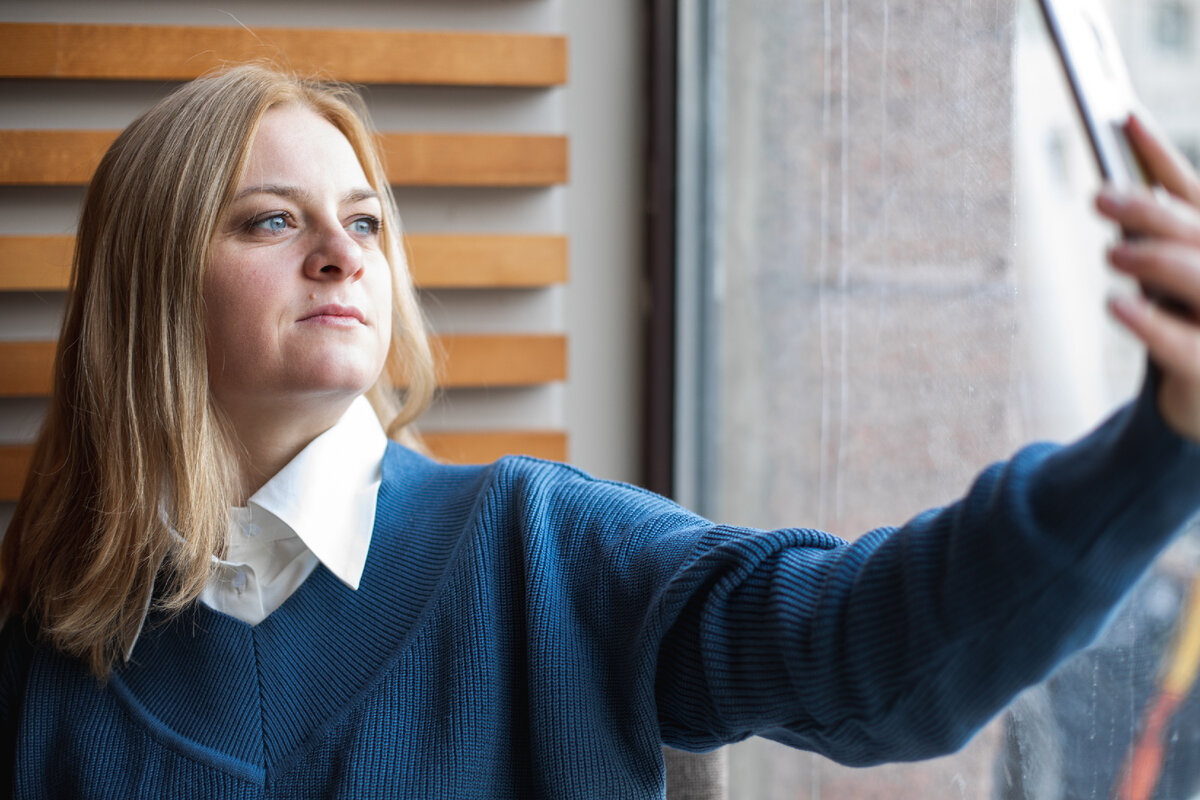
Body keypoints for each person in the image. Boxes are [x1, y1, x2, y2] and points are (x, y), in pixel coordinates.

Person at [2, 64, 1200, 799]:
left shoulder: (540, 545)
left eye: (366, 222)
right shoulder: (43, 656)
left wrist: (1161, 446)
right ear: (154, 288)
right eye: (270, 219)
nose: (340, 252)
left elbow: (869, 651)